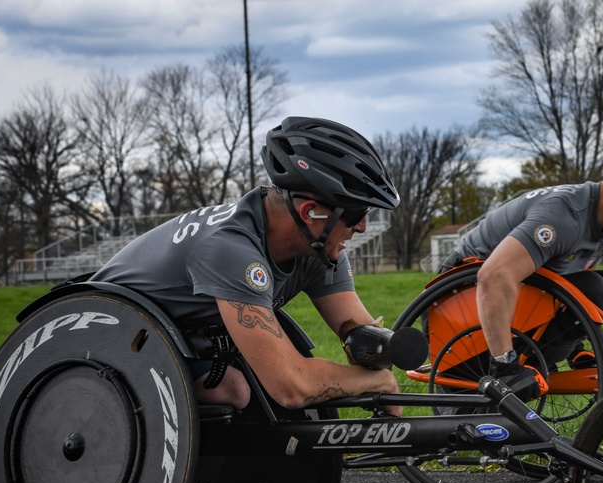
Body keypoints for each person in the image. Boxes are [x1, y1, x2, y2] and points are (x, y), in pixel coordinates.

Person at [92, 116, 404, 415]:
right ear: (311, 213)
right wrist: (373, 383)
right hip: (99, 344)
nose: (363, 226)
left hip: (167, 342)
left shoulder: (318, 247)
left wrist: (402, 353)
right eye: (356, 214)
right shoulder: (232, 250)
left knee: (236, 387)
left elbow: (360, 339)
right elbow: (290, 385)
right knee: (234, 388)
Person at [438, 120, 603, 399]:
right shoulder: (564, 216)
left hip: (496, 306)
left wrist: (576, 348)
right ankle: (508, 371)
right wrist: (506, 368)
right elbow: (493, 276)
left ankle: (543, 362)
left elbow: (564, 286)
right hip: (456, 315)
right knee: (596, 288)